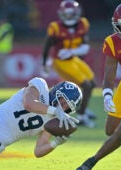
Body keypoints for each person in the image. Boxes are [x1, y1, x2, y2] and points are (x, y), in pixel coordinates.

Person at [75, 2, 121, 170]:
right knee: (109, 130)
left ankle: (91, 161)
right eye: (120, 25)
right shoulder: (112, 42)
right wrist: (107, 94)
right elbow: (110, 72)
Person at [41, 0, 96, 128]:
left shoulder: (83, 23)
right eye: (67, 14)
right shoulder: (55, 27)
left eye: (72, 14)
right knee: (86, 86)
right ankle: (81, 117)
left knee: (92, 83)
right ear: (61, 13)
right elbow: (47, 46)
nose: (69, 16)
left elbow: (85, 45)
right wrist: (45, 63)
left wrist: (73, 51)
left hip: (73, 58)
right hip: (61, 61)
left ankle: (83, 108)